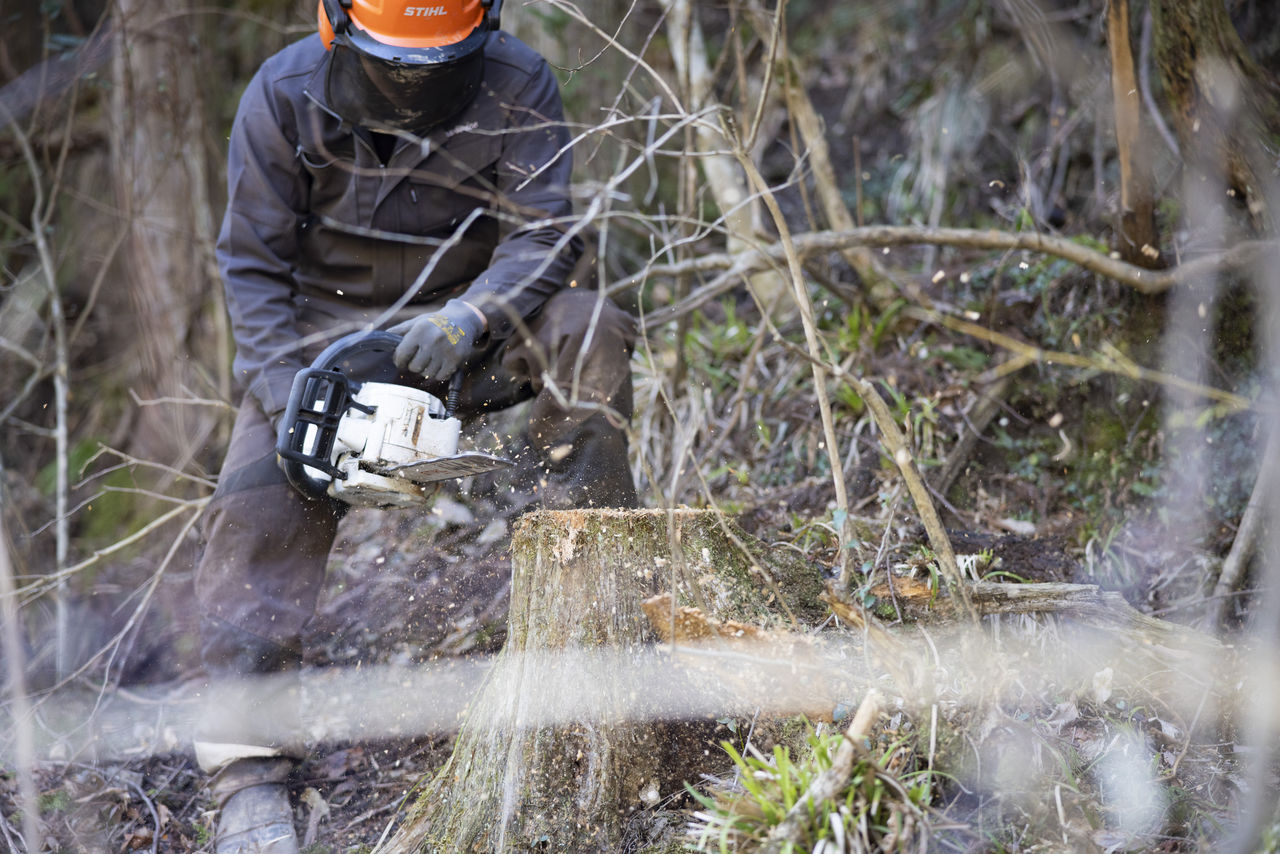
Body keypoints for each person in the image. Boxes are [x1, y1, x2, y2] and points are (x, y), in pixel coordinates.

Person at [192, 1, 637, 850]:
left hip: (469, 334)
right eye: (393, 67)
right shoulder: (281, 95)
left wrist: (476, 314)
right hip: (329, 349)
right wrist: (293, 399)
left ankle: (596, 608)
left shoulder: (517, 80)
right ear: (338, 29)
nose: (410, 86)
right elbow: (251, 264)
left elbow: (547, 231)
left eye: (434, 69)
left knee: (590, 328)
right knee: (256, 503)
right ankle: (248, 769)